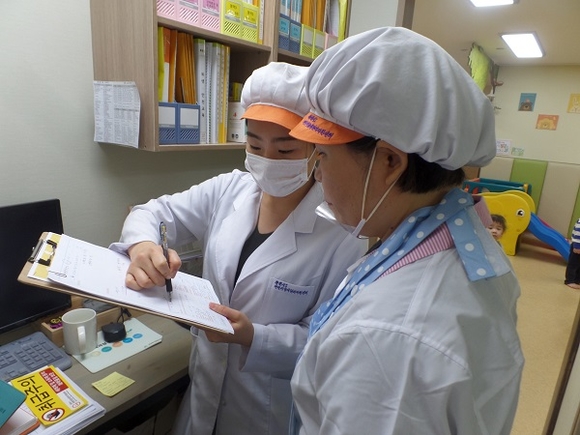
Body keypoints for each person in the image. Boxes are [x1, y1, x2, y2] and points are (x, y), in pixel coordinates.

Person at [287, 27, 524, 435]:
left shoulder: (387, 338)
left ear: (389, 163)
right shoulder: (459, 241)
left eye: (322, 155)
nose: (316, 174)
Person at [109, 62, 366, 435]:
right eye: (255, 145)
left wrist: (253, 337)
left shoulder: (341, 232)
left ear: (316, 149)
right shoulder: (229, 189)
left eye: (285, 148)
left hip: (266, 412)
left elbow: (326, 342)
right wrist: (143, 245)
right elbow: (153, 212)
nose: (267, 160)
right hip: (203, 395)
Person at [565, 217, 580, 289]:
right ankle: (570, 280)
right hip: (577, 246)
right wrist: (577, 246)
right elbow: (577, 233)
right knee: (573, 264)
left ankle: (577, 280)